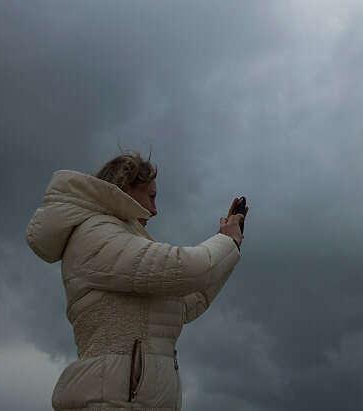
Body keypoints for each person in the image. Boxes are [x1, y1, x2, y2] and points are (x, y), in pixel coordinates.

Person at [25, 150, 246, 410]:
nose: (154, 210)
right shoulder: (95, 234)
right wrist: (226, 242)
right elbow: (188, 269)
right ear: (125, 189)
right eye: (151, 196)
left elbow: (188, 302)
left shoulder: (114, 237)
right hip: (110, 403)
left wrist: (231, 247)